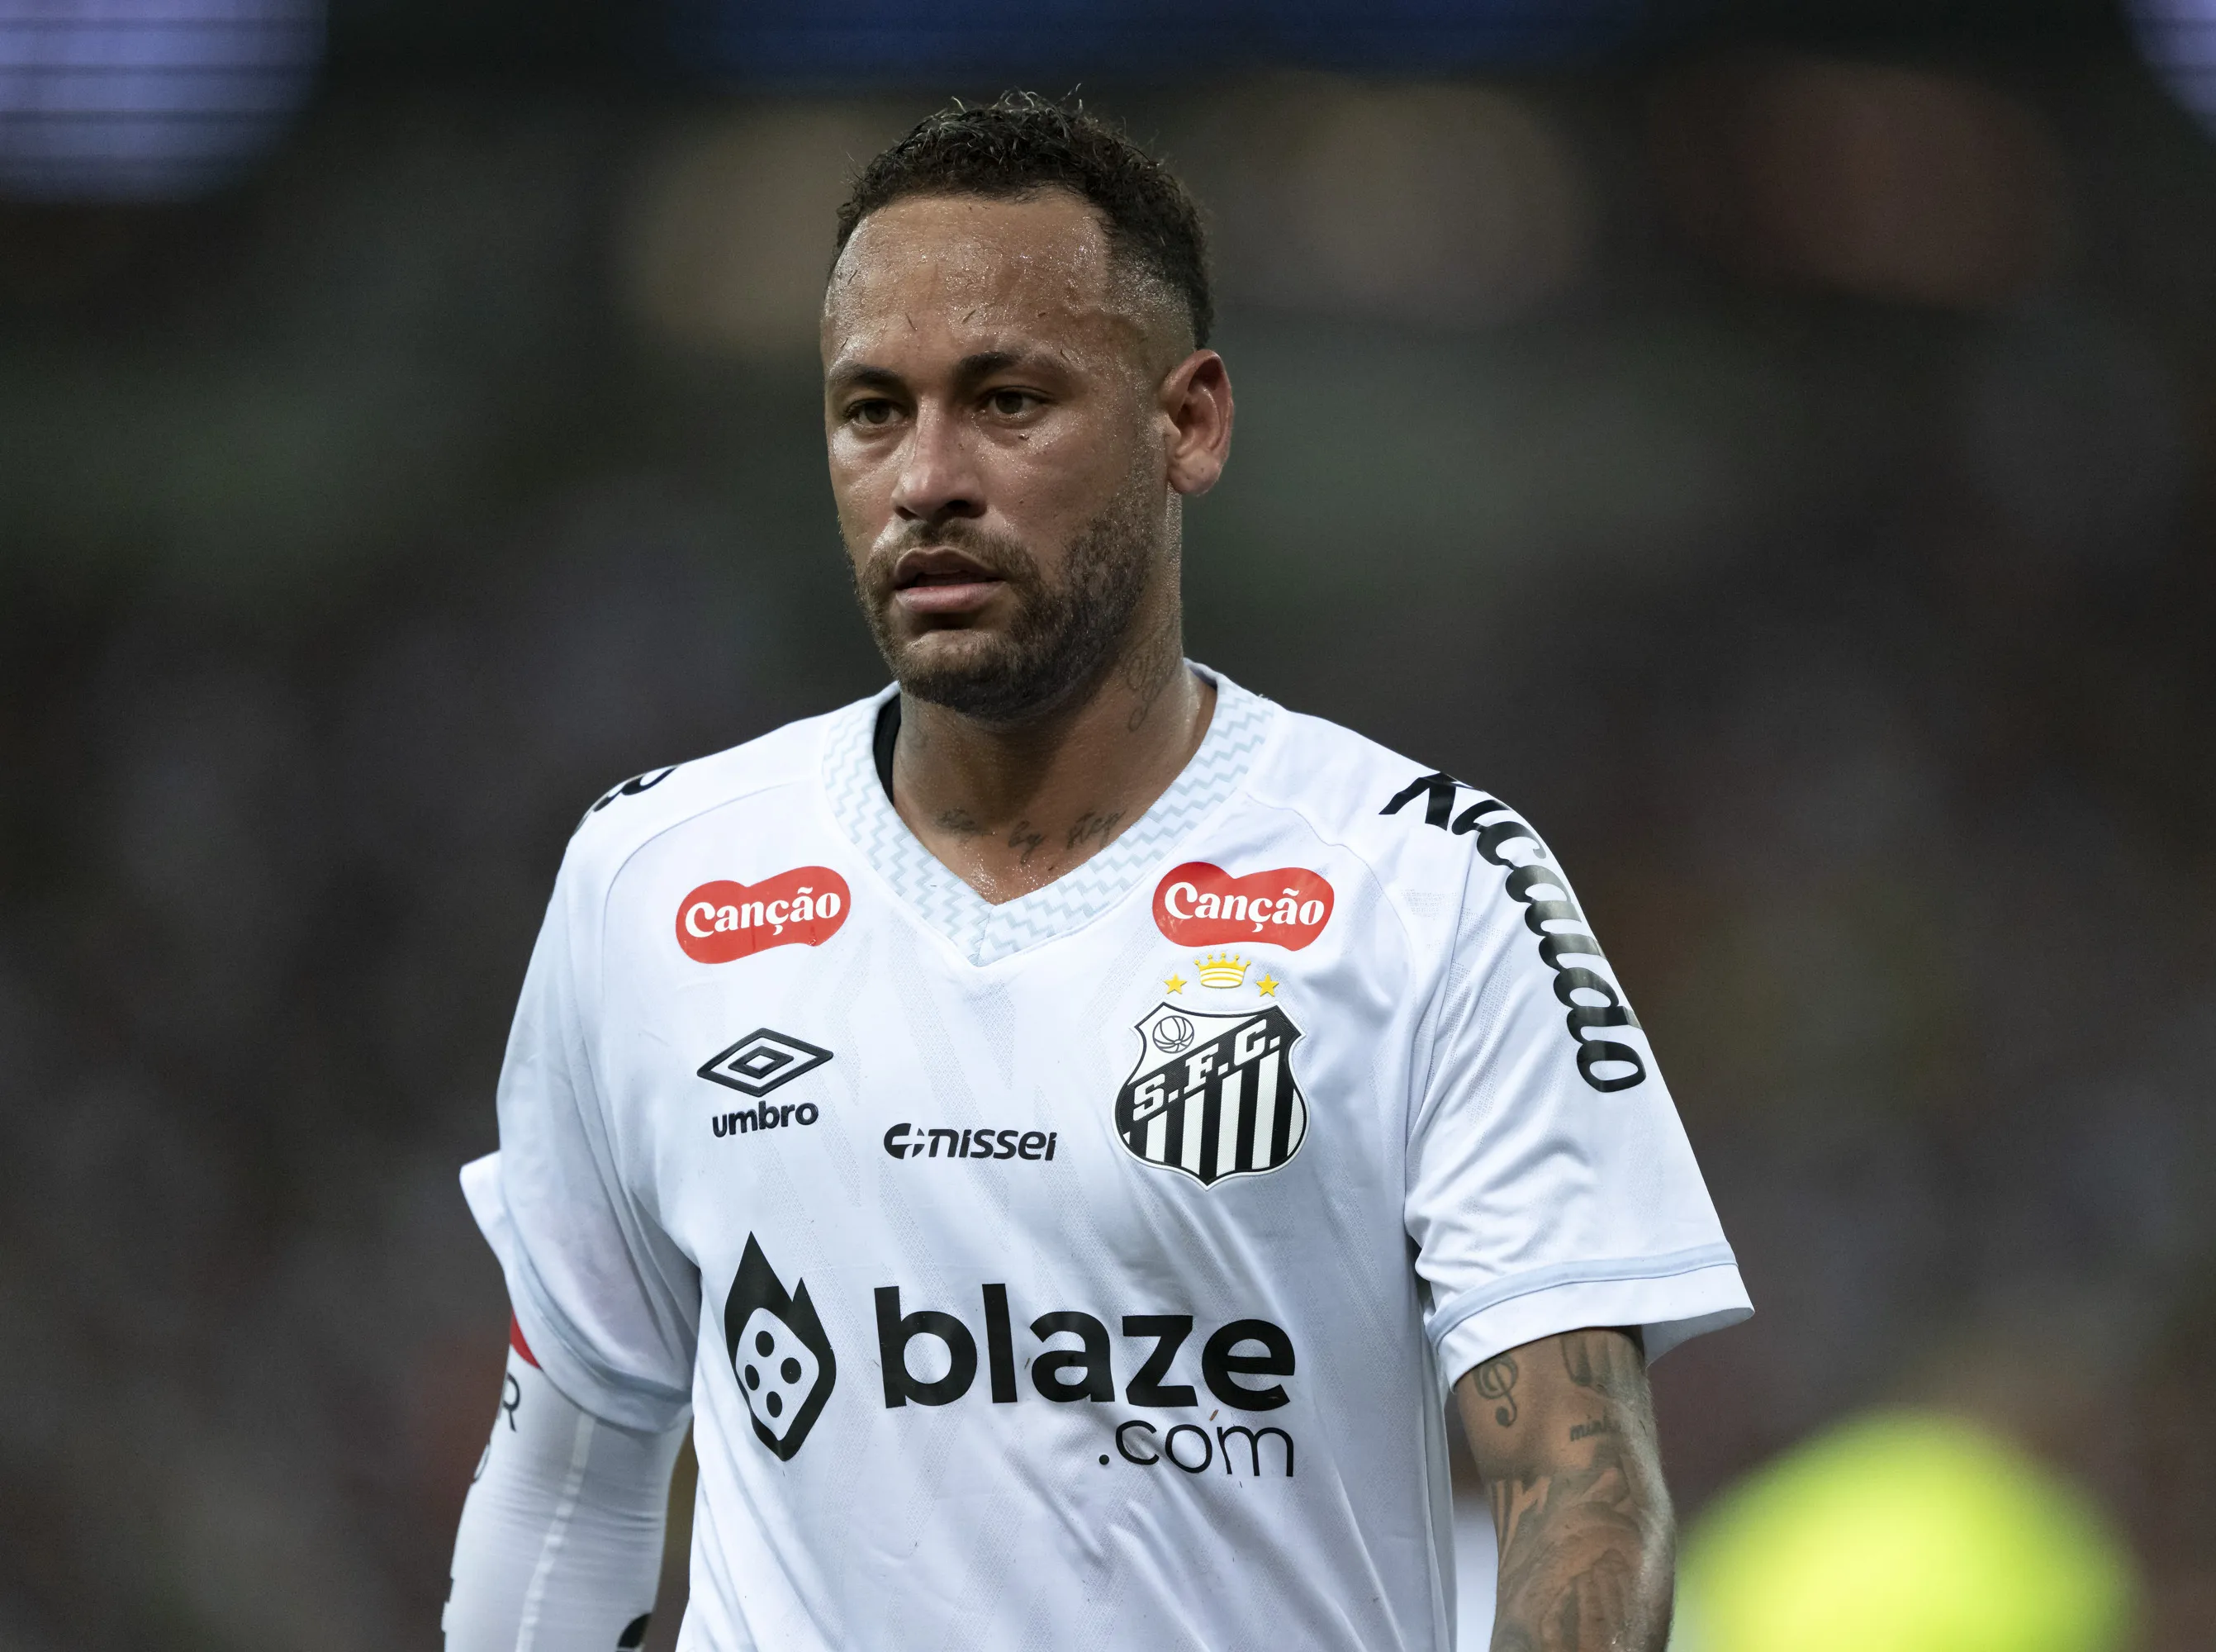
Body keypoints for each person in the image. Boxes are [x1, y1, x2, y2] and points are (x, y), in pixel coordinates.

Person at [442, 92, 1749, 1652]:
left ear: (1187, 422)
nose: (926, 475)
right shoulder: (651, 881)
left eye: (1005, 401)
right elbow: (568, 1479)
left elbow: (1579, 1494)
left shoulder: (1430, 885)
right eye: (873, 411)